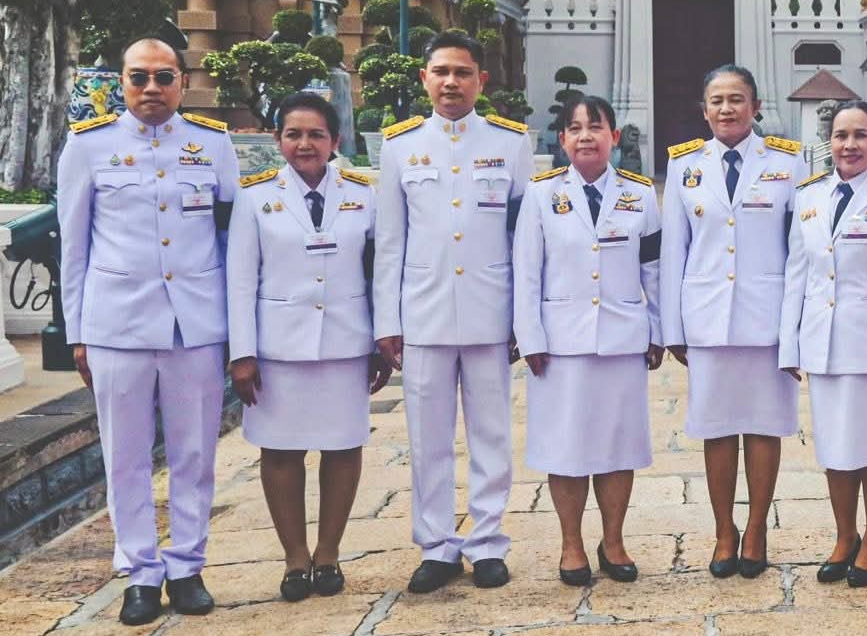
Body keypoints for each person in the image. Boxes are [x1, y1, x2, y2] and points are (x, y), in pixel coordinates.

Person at [57, 37, 239, 625]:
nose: (152, 88)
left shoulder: (212, 144)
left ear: (183, 82)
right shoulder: (90, 146)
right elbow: (74, 245)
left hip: (196, 322)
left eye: (164, 77)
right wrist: (77, 332)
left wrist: (237, 327)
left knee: (195, 453)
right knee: (126, 455)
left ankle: (187, 565)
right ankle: (139, 570)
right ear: (122, 83)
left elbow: (232, 239)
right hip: (118, 324)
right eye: (140, 78)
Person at [374, 31, 534, 593]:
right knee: (428, 437)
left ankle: (487, 541)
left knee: (491, 433)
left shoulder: (511, 143)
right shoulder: (400, 146)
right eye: (440, 71)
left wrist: (523, 316)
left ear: (480, 82)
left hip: (490, 310)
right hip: (424, 311)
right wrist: (386, 322)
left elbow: (524, 238)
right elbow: (389, 240)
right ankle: (437, 546)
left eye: (462, 72)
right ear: (424, 79)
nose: (450, 82)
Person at [227, 92, 389, 601]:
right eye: (293, 134)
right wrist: (242, 352)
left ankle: (328, 553)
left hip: (345, 341)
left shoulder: (364, 194)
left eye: (316, 134)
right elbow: (238, 280)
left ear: (335, 141)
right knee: (280, 451)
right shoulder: (254, 197)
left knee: (343, 447)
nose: (305, 144)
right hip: (279, 346)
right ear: (278, 140)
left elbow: (380, 273)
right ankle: (295, 559)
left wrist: (381, 340)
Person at [514, 96, 664, 586]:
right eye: (575, 129)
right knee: (566, 447)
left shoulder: (641, 195)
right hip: (561, 344)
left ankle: (614, 540)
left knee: (619, 446)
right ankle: (571, 543)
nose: (585, 137)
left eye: (595, 128)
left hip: (623, 339)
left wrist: (659, 330)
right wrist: (529, 335)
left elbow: (654, 270)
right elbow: (526, 272)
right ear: (562, 140)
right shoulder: (541, 195)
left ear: (614, 137)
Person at [660, 66, 803, 578]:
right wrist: (670, 329)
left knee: (765, 429)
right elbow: (674, 250)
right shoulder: (684, 166)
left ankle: (758, 527)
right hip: (707, 319)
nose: (727, 109)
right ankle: (724, 531)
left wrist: (797, 327)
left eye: (737, 99)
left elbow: (800, 251)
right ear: (704, 110)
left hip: (767, 318)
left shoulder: (788, 162)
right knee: (717, 430)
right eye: (717, 101)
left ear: (755, 106)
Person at [780, 102, 867, 588]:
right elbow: (796, 274)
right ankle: (844, 536)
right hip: (823, 342)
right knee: (835, 447)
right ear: (829, 142)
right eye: (841, 135)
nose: (849, 145)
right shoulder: (809, 198)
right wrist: (789, 345)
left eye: (861, 135)